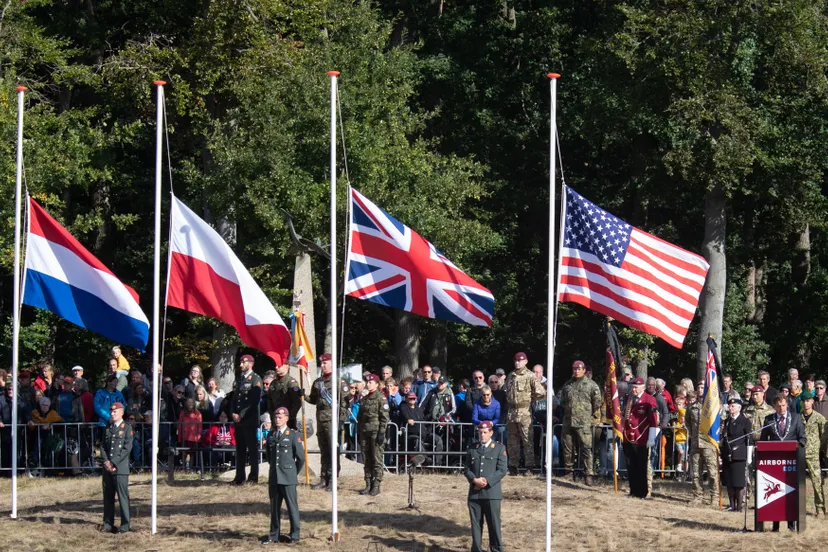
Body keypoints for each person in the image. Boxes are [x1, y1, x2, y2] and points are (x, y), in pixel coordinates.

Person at [760, 393, 806, 531]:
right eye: (779, 406)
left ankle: (791, 525)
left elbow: (802, 439)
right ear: (774, 406)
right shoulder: (769, 420)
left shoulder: (796, 418)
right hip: (774, 463)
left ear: (787, 405)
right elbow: (763, 440)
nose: (781, 408)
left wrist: (796, 446)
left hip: (791, 462)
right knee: (777, 494)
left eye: (784, 405)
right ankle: (775, 525)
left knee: (790, 493)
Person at [306, 353, 349, 491]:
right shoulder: (317, 382)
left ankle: (333, 479)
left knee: (333, 451)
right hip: (321, 420)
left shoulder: (338, 382)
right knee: (324, 450)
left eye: (325, 363)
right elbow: (313, 399)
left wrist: (340, 421)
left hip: (333, 421)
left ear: (331, 363)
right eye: (321, 363)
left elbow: (344, 403)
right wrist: (303, 395)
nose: (322, 365)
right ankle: (323, 478)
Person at [262, 407, 304, 545]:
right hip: (275, 476)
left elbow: (301, 458)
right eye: (276, 417)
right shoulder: (271, 435)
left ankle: (295, 535)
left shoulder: (293, 435)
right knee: (274, 508)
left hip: (288, 477)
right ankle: (274, 535)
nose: (277, 419)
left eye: (280, 417)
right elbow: (269, 456)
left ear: (286, 418)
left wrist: (292, 472)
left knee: (292, 507)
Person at [464, 420, 507, 552]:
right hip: (475, 494)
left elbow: (502, 470)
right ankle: (476, 549)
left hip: (491, 493)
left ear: (491, 433)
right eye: (480, 432)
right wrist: (474, 480)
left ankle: (496, 549)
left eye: (485, 432)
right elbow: (466, 469)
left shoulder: (499, 448)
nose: (482, 435)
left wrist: (486, 481)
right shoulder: (472, 448)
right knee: (476, 525)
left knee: (494, 524)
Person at [560, 360, 601, 485]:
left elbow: (597, 402)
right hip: (568, 421)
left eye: (579, 369)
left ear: (584, 370)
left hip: (584, 422)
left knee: (586, 448)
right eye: (574, 369)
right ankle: (568, 472)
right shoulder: (567, 385)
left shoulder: (591, 385)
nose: (576, 371)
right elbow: (563, 402)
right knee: (568, 448)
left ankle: (588, 474)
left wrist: (587, 415)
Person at [504, 352, 546, 475]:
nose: (517, 363)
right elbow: (506, 391)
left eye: (520, 361)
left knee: (527, 439)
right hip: (512, 411)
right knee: (512, 440)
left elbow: (541, 392)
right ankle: (513, 466)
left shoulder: (530, 375)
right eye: (516, 361)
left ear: (525, 362)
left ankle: (529, 466)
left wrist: (530, 399)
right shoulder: (511, 375)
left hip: (524, 411)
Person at [622, 378, 658, 499]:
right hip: (628, 436)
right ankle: (633, 490)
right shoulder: (629, 399)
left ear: (643, 387)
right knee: (630, 464)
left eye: (636, 387)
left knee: (641, 466)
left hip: (641, 436)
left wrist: (651, 438)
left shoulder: (649, 399)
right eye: (632, 387)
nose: (634, 390)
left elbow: (653, 420)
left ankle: (642, 492)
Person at [100, 402, 132, 533]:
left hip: (120, 469)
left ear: (121, 413)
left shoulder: (127, 428)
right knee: (108, 498)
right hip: (107, 469)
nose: (112, 414)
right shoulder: (108, 428)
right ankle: (108, 524)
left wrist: (113, 462)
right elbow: (103, 446)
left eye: (115, 412)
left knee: (122, 497)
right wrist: (106, 462)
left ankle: (125, 525)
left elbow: (126, 449)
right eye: (111, 412)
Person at [686, 382, 719, 507]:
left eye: (702, 387)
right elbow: (688, 422)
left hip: (709, 443)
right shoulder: (692, 407)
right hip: (696, 443)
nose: (700, 389)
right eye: (699, 388)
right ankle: (697, 496)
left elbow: (720, 423)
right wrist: (693, 435)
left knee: (712, 472)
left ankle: (714, 497)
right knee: (696, 473)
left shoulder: (713, 405)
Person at [231, 354, 262, 485]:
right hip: (238, 421)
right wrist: (233, 413)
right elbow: (234, 398)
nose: (241, 365)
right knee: (240, 449)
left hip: (249, 420)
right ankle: (239, 477)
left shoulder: (255, 379)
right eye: (240, 362)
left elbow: (254, 400)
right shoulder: (240, 379)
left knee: (252, 450)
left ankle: (253, 477)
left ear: (251, 363)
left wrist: (241, 415)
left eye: (243, 362)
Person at [357, 373, 389, 496]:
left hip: (376, 432)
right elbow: (360, 417)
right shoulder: (364, 399)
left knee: (376, 458)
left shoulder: (381, 398)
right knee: (366, 458)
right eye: (367, 382)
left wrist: (381, 433)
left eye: (370, 382)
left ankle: (376, 484)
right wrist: (359, 432)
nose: (368, 384)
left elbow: (384, 417)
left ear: (376, 384)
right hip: (365, 432)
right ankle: (368, 483)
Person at [721, 397, 752, 511]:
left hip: (739, 454)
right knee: (729, 481)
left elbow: (749, 439)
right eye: (729, 406)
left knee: (738, 482)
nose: (730, 408)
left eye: (733, 406)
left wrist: (749, 456)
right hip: (728, 454)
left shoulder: (745, 421)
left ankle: (739, 505)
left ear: (739, 408)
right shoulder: (727, 421)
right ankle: (731, 505)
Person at [800, 390, 827, 518]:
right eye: (804, 401)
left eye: (808, 401)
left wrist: (820, 449)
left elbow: (824, 436)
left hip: (814, 454)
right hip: (799, 453)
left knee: (817, 482)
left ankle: (820, 508)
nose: (806, 403)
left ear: (812, 401)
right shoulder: (797, 418)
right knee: (797, 482)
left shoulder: (819, 418)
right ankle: (797, 507)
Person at [267, 363, 303, 430]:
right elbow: (269, 399)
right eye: (276, 365)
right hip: (275, 418)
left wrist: (290, 416)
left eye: (279, 365)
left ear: (287, 367)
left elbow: (297, 402)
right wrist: (272, 414)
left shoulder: (291, 382)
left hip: (287, 421)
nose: (276, 367)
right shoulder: (274, 383)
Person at [178, 398, 203, 471]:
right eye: (188, 402)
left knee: (192, 454)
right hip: (185, 437)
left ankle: (190, 469)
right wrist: (179, 438)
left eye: (191, 402)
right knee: (184, 453)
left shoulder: (198, 413)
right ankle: (184, 469)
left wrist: (198, 438)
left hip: (194, 438)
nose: (190, 404)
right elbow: (180, 426)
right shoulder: (182, 413)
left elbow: (200, 427)